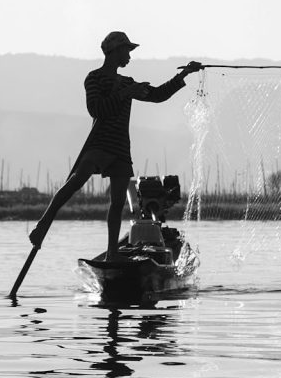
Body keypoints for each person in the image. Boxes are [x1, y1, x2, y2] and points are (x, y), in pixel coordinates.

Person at [29, 31, 203, 261]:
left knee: (118, 201)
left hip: (120, 148)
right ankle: (43, 224)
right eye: (127, 51)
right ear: (113, 52)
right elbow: (97, 110)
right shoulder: (94, 78)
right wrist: (124, 94)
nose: (129, 56)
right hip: (99, 143)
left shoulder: (127, 82)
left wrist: (184, 75)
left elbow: (158, 95)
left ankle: (112, 254)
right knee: (75, 183)